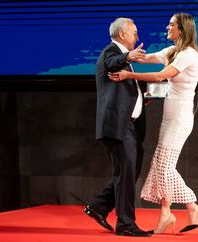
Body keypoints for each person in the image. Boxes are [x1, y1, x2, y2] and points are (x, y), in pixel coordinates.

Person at [109, 13, 198, 234]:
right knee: (159, 164)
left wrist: (128, 76)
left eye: (171, 25)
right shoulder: (172, 52)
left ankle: (193, 206)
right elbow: (145, 59)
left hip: (181, 118)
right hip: (169, 116)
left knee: (164, 166)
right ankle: (166, 213)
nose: (167, 27)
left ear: (182, 29)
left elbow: (161, 76)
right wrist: (130, 55)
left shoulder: (188, 55)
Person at [83, 17, 151, 237]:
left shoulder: (123, 59)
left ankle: (99, 206)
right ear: (122, 34)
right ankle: (126, 225)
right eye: (134, 32)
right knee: (125, 175)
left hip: (130, 128)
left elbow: (124, 88)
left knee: (127, 175)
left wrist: (143, 97)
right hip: (118, 128)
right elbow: (112, 63)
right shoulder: (110, 53)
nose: (137, 37)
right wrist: (128, 56)